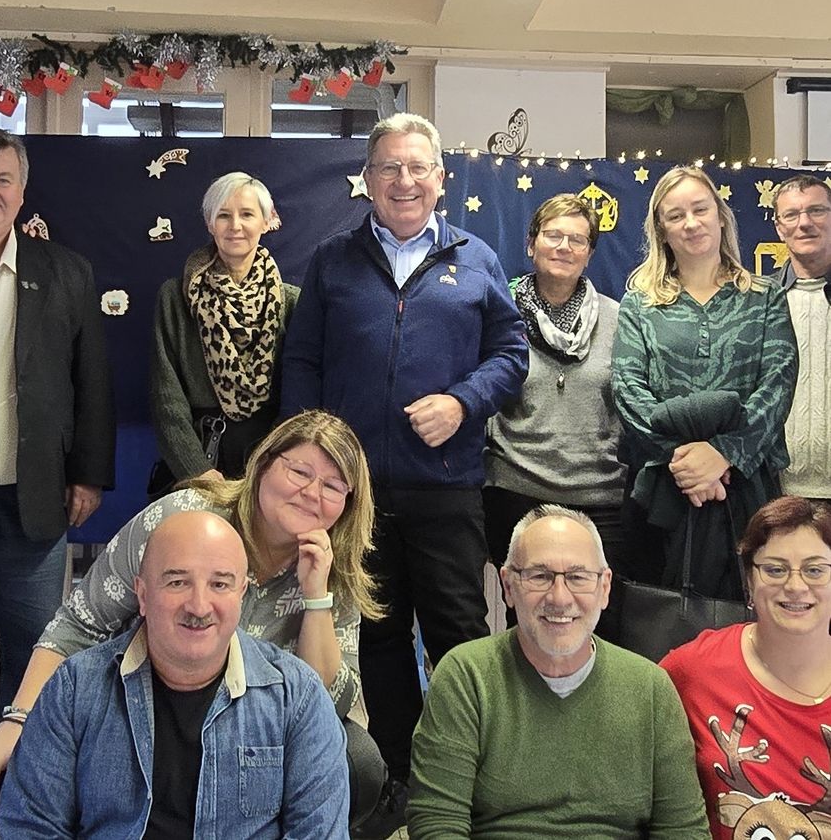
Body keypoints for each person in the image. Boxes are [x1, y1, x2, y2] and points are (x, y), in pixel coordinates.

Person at [280, 112, 528, 834]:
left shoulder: (475, 257)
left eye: (418, 167)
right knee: (381, 639)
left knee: (458, 631)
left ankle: (469, 777)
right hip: (354, 492)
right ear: (369, 181)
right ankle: (399, 779)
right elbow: (302, 360)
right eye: (389, 167)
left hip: (445, 483)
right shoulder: (332, 260)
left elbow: (510, 358)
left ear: (441, 180)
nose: (404, 181)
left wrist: (461, 401)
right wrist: (308, 458)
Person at [0, 410, 384, 829]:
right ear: (264, 464)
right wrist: (18, 719)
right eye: (299, 471)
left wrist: (317, 596)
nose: (311, 493)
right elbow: (79, 624)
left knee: (358, 762)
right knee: (12, 777)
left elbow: (324, 701)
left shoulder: (338, 564)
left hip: (258, 724)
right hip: (135, 700)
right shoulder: (183, 519)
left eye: (333, 486)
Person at [0, 511, 350, 838]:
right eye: (178, 582)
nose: (198, 606)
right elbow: (31, 827)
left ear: (241, 595)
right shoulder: (75, 689)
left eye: (220, 584)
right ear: (143, 594)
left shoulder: (297, 698)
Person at [407, 504, 710, 838]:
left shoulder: (651, 689)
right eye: (540, 576)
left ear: (605, 587)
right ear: (508, 586)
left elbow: (683, 831)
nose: (560, 597)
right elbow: (437, 823)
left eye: (578, 577)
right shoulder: (466, 677)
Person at [0, 129, 115, 727]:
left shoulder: (66, 273)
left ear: (23, 189)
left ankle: (11, 787)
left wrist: (87, 475)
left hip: (28, 500)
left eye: (2, 180)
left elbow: (93, 383)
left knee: (32, 652)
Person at [611, 165, 798, 599]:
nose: (691, 223)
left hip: (748, 489)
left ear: (720, 215)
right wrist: (687, 462)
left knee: (750, 614)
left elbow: (777, 384)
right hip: (662, 490)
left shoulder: (764, 296)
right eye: (676, 215)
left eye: (700, 209)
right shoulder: (640, 304)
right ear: (661, 228)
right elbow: (627, 389)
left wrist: (724, 456)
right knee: (657, 619)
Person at [483, 193, 625, 627]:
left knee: (603, 629)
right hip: (516, 491)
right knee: (527, 626)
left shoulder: (618, 319)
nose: (564, 247)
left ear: (590, 253)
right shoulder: (498, 311)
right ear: (531, 244)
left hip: (599, 496)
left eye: (577, 240)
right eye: (553, 235)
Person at [661, 496, 831, 839]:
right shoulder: (692, 669)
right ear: (749, 582)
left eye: (815, 569)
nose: (796, 586)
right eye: (775, 569)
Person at [150, 171, 298, 485]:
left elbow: (300, 393)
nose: (235, 226)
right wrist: (195, 470)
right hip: (198, 459)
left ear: (267, 221)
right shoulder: (175, 298)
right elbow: (166, 396)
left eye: (247, 214)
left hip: (269, 464)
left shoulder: (291, 302)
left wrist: (276, 465)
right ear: (209, 223)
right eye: (223, 216)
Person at [772, 175, 831, 507]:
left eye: (817, 211)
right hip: (779, 493)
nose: (804, 223)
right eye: (792, 215)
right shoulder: (759, 302)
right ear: (779, 228)